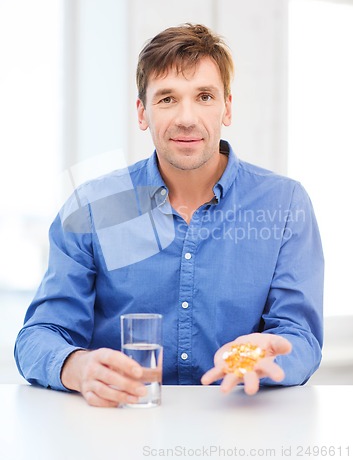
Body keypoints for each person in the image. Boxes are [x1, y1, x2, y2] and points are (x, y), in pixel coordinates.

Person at [15, 23, 324, 407]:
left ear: (227, 107)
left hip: (239, 429)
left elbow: (301, 337)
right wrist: (77, 367)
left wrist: (270, 353)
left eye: (205, 96)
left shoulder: (284, 203)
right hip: (118, 429)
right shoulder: (93, 207)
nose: (186, 118)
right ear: (142, 112)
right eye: (167, 99)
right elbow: (38, 336)